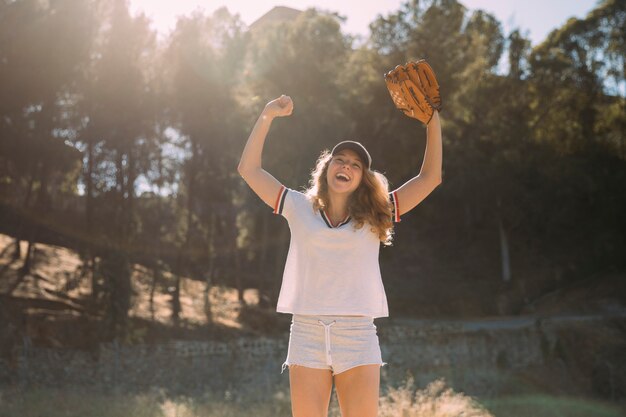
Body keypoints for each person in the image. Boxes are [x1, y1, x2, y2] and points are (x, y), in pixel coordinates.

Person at [237, 94, 442, 417]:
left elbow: (430, 178)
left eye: (355, 164)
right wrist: (266, 115)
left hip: (357, 335)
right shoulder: (298, 206)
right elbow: (249, 169)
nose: (345, 166)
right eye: (339, 160)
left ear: (362, 178)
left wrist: (432, 122)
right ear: (327, 168)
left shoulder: (376, 214)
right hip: (306, 333)